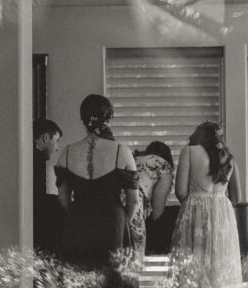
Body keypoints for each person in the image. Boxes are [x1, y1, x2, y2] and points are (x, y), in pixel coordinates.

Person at [55, 94, 139, 269]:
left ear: (83, 119)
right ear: (108, 119)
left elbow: (63, 198)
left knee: (79, 280)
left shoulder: (67, 152)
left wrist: (79, 212)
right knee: (112, 283)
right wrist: (123, 221)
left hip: (78, 222)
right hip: (112, 223)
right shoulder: (121, 152)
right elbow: (134, 200)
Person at [170, 121, 242, 288]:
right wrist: (218, 201)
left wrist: (194, 204)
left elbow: (180, 191)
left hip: (195, 212)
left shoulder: (189, 152)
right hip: (222, 215)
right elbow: (237, 198)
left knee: (193, 264)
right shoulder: (228, 157)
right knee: (219, 265)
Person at [130, 141, 174, 259]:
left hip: (111, 205)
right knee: (136, 259)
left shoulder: (133, 159)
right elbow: (157, 212)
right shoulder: (164, 166)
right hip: (134, 203)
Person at [33, 118, 63, 255]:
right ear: (46, 138)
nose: (57, 148)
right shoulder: (35, 161)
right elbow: (37, 201)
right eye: (56, 141)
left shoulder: (35, 159)